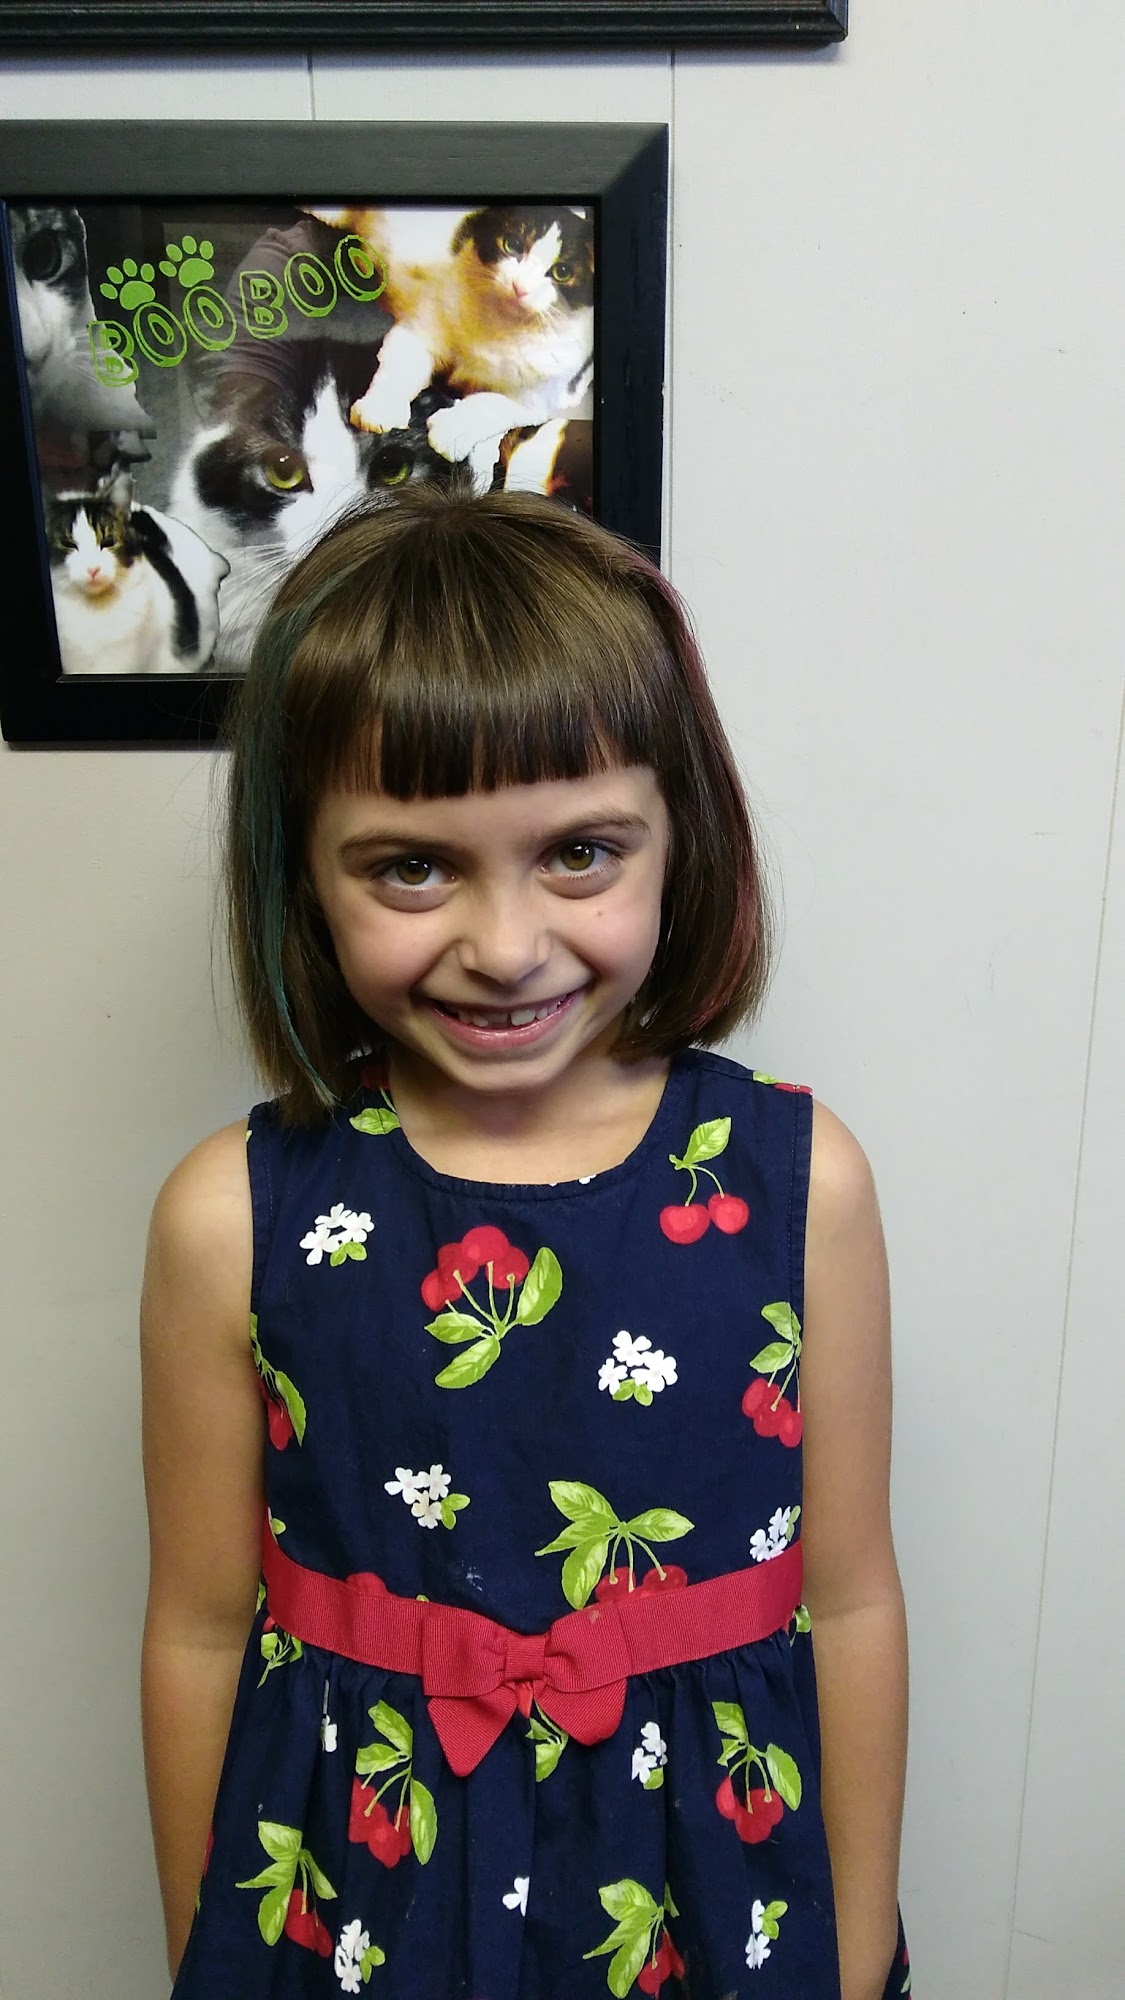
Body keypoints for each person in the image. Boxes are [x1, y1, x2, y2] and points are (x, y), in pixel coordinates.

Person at [140, 485, 911, 2000]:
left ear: (682, 838)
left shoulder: (797, 1185)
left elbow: (852, 1597)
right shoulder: (231, 1218)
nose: (504, 948)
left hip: (714, 1897)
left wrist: (855, 1949)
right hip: (357, 1905)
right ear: (302, 871)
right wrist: (210, 1963)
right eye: (410, 867)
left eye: (580, 854)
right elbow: (200, 1631)